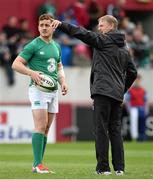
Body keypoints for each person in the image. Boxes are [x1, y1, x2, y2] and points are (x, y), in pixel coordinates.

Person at [51, 15, 137, 176]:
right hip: (117, 95)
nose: (99, 28)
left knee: (101, 130)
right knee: (115, 131)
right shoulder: (125, 48)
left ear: (111, 26)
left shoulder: (103, 41)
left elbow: (81, 32)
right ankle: (120, 168)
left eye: (101, 25)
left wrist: (61, 24)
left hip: (102, 92)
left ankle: (103, 168)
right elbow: (133, 72)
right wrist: (121, 89)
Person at [12, 14, 68, 173]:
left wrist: (63, 81)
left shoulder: (56, 46)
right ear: (38, 27)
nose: (44, 27)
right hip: (38, 90)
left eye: (47, 25)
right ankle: (37, 164)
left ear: (53, 27)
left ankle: (39, 164)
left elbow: (58, 67)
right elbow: (16, 64)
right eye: (41, 25)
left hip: (53, 91)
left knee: (46, 129)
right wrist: (31, 73)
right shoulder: (33, 45)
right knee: (40, 126)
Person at [125, 74, 148, 141]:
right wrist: (129, 109)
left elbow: (145, 101)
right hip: (133, 108)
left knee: (142, 123)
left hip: (141, 108)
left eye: (138, 80)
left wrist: (145, 109)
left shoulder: (143, 90)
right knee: (134, 124)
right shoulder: (130, 90)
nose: (137, 81)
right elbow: (127, 101)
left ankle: (142, 137)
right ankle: (134, 137)